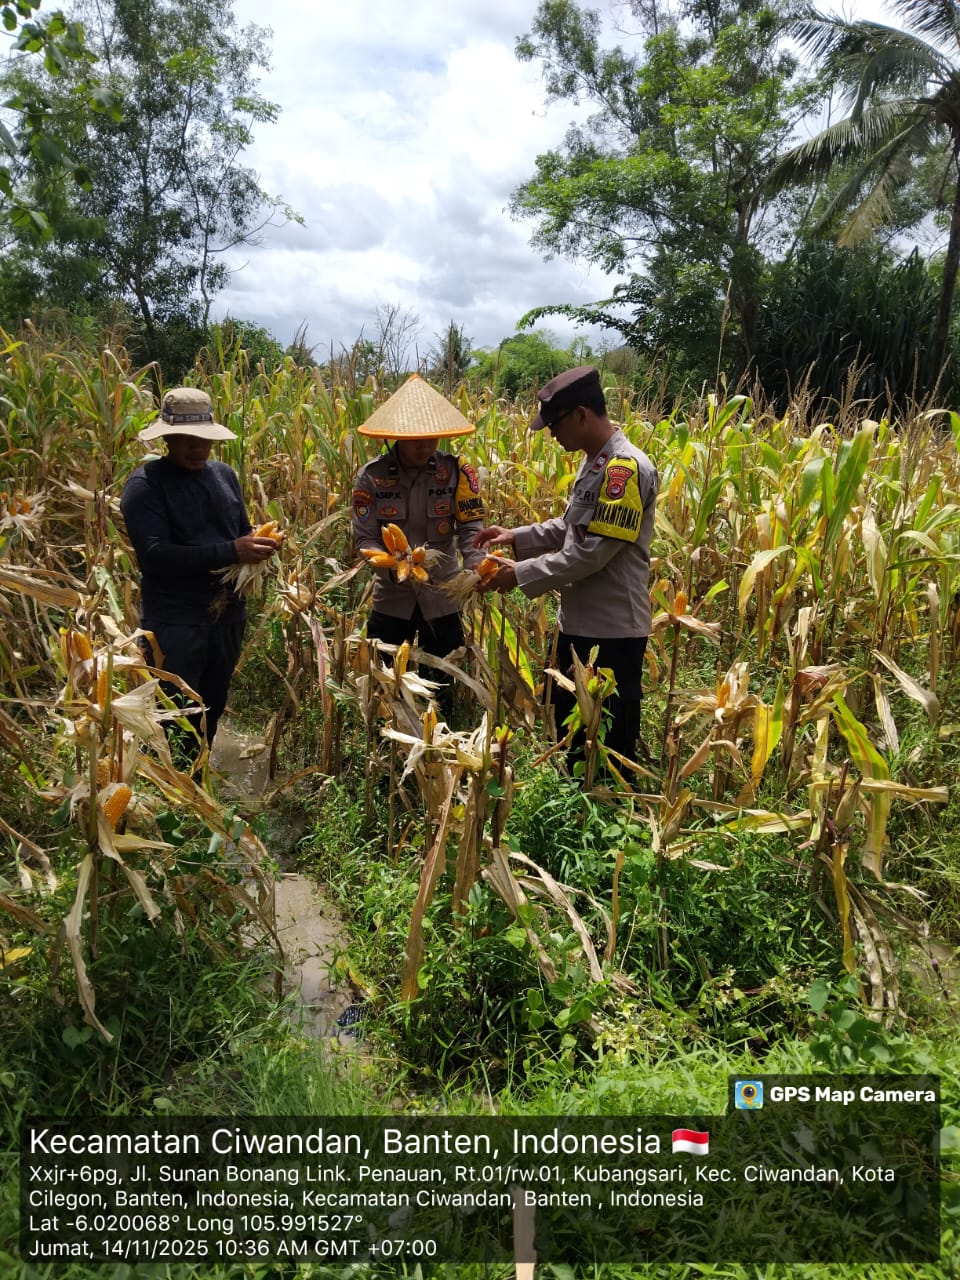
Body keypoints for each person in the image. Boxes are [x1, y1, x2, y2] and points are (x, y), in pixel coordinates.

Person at [474, 365, 658, 768]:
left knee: (606, 750)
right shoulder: (595, 462)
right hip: (577, 623)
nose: (552, 435)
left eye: (555, 425)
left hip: (610, 633)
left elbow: (593, 552)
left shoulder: (624, 470)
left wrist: (519, 573)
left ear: (581, 414)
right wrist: (516, 536)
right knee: (569, 735)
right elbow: (571, 528)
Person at [120, 386, 278, 756]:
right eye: (187, 439)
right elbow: (155, 556)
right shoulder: (146, 485)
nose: (197, 447)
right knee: (173, 713)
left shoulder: (224, 476)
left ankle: (198, 777)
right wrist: (232, 550)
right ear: (167, 438)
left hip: (226, 616)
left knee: (212, 707)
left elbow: (241, 532)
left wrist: (258, 545)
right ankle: (167, 781)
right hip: (174, 622)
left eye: (204, 439)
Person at [352, 373, 486, 714]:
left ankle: (442, 735)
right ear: (397, 436)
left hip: (442, 596)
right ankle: (384, 738)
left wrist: (476, 565)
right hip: (391, 598)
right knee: (385, 684)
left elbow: (471, 526)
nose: (425, 447)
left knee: (442, 684)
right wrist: (392, 565)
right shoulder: (371, 477)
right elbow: (365, 538)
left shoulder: (456, 471)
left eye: (431, 439)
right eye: (416, 441)